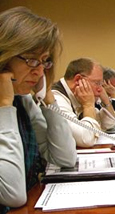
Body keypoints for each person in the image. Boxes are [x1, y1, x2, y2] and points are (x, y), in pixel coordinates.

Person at [0, 7, 77, 213]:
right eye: (32, 60)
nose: (40, 71)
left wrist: (48, 98)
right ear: (4, 57)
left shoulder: (22, 100)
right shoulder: (8, 103)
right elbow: (13, 194)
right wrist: (4, 107)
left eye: (44, 62)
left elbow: (65, 158)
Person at [52, 58, 115, 147]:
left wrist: (106, 101)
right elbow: (86, 139)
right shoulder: (56, 98)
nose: (100, 89)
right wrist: (88, 105)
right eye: (97, 83)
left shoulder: (78, 97)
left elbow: (109, 124)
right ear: (78, 80)